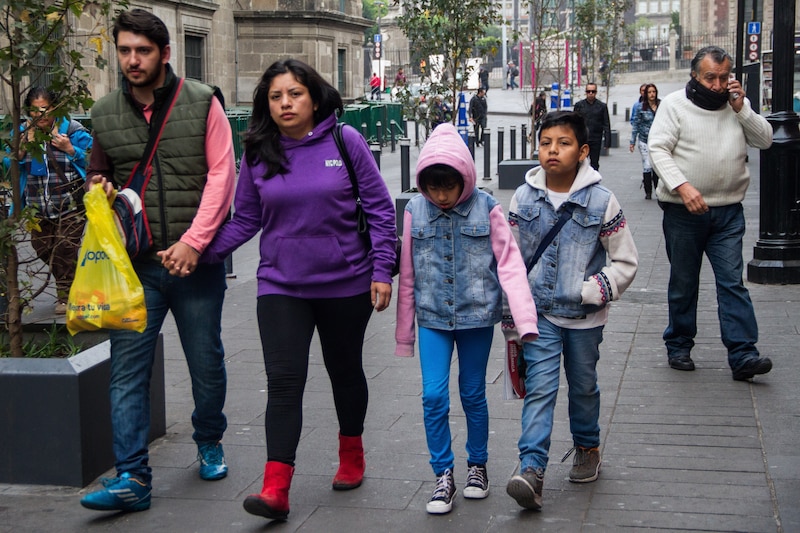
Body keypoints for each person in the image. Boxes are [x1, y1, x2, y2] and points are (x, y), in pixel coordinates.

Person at [202, 59, 396, 521]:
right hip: (280, 284)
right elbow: (247, 219)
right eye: (276, 96)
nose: (285, 103)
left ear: (313, 97)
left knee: (344, 371)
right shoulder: (258, 150)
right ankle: (276, 487)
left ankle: (352, 453)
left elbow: (380, 208)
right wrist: (201, 251)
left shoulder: (343, 141)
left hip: (345, 283)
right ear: (266, 103)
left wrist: (383, 270)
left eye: (294, 94)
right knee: (283, 382)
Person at [79, 9, 236, 513]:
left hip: (196, 263)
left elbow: (221, 175)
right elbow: (98, 175)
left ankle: (209, 438)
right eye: (124, 50)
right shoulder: (103, 113)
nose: (131, 60)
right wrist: (98, 188)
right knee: (126, 371)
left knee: (205, 363)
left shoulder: (202, 101)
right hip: (136, 266)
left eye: (141, 50)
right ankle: (132, 477)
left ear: (164, 53)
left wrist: (194, 242)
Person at [395, 123, 538, 515]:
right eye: (434, 187)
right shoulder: (414, 210)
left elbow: (510, 266)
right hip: (432, 319)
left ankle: (478, 465)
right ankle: (443, 473)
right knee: (433, 395)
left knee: (473, 392)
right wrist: (404, 334)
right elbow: (407, 274)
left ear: (465, 178)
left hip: (477, 318)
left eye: (449, 187)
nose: (441, 196)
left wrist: (525, 322)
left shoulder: (487, 206)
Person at [504, 111, 638, 511]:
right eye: (545, 143)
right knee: (540, 389)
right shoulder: (523, 197)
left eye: (562, 144)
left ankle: (586, 446)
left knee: (582, 386)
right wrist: (512, 310)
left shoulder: (602, 200)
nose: (552, 151)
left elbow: (625, 261)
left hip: (584, 319)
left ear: (581, 152)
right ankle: (532, 469)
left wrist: (590, 290)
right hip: (539, 316)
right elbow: (509, 259)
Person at [648, 45, 774, 380]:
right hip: (683, 213)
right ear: (695, 76)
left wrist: (742, 110)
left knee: (733, 282)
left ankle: (743, 353)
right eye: (710, 78)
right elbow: (658, 148)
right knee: (684, 282)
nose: (718, 85)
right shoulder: (675, 105)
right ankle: (679, 344)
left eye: (723, 77)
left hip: (728, 212)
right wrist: (682, 186)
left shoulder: (736, 106)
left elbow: (765, 140)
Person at [4, 87, 92, 314]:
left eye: (45, 109)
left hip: (70, 203)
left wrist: (70, 149)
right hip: (36, 207)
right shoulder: (22, 133)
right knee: (42, 248)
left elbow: (94, 160)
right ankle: (73, 280)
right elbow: (7, 166)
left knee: (65, 247)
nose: (40, 115)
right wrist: (20, 151)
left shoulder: (72, 130)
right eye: (34, 111)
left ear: (56, 108)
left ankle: (65, 294)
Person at [629, 83, 660, 199]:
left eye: (654, 92)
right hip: (644, 140)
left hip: (658, 140)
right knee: (647, 165)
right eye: (649, 92)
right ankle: (648, 191)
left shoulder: (661, 105)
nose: (652, 94)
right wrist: (632, 142)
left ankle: (658, 189)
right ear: (646, 94)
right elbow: (635, 124)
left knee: (656, 165)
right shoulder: (640, 107)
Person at [573, 83, 611, 171]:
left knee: (595, 163)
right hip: (583, 139)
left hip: (596, 139)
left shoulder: (602, 106)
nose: (590, 93)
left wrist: (607, 142)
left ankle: (594, 182)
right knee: (580, 163)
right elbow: (574, 123)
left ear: (596, 92)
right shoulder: (579, 105)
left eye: (593, 91)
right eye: (588, 91)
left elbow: (606, 124)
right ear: (585, 92)